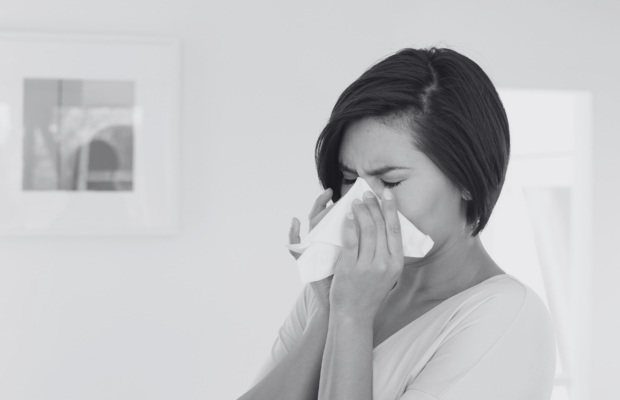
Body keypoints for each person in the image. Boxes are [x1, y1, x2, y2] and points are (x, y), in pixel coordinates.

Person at [239, 47, 557, 400]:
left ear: (468, 178)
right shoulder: (335, 290)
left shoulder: (507, 315)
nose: (360, 202)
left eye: (389, 182)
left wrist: (352, 316)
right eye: (349, 178)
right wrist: (329, 310)